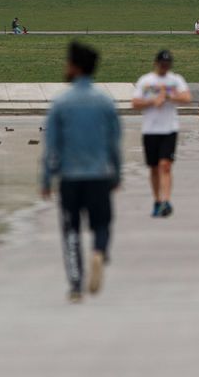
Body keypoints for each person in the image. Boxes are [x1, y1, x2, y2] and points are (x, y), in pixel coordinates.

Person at [40, 41, 121, 303]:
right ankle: (99, 250)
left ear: (74, 67)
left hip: (70, 178)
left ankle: (75, 284)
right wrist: (116, 174)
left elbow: (52, 146)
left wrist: (46, 178)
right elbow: (114, 142)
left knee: (71, 230)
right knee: (102, 223)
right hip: (99, 175)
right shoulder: (105, 102)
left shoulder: (61, 103)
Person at [131, 50, 192, 217]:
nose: (164, 67)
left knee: (165, 165)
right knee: (153, 168)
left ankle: (166, 200)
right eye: (162, 64)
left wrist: (169, 97)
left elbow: (187, 97)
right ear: (156, 63)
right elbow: (135, 103)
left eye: (167, 65)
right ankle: (157, 200)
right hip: (150, 130)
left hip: (169, 129)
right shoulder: (146, 81)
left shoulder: (175, 80)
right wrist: (152, 100)